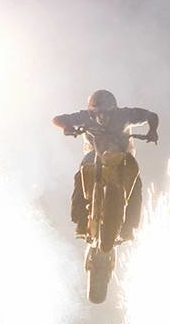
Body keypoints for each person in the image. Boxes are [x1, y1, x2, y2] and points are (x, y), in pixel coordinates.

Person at [52, 89, 159, 239]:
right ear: (91, 112)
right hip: (94, 155)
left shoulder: (126, 115)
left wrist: (152, 130)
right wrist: (67, 127)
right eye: (98, 113)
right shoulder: (84, 116)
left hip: (123, 156)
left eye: (107, 113)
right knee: (80, 176)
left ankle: (130, 227)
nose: (102, 117)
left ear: (114, 110)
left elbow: (151, 116)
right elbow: (57, 119)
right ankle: (81, 222)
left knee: (136, 183)